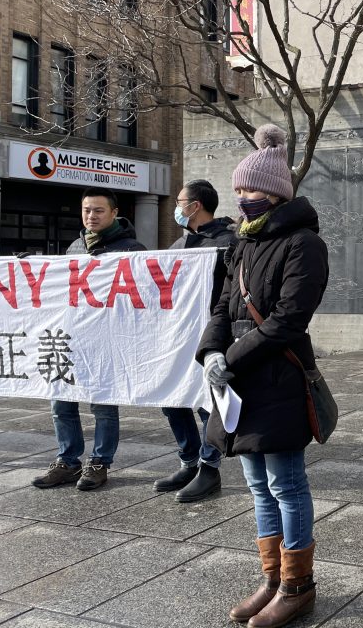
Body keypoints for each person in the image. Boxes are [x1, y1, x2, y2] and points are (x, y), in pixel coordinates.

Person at [197, 124, 329, 628]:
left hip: (277, 377)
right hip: (238, 382)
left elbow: (288, 320)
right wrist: (210, 352)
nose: (241, 198)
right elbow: (221, 305)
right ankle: (272, 578)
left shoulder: (304, 244)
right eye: (239, 190)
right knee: (256, 484)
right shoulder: (243, 244)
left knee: (286, 484)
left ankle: (298, 585)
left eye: (250, 190)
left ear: (274, 193)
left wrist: (231, 357)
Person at [31, 187, 145, 491]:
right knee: (61, 403)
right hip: (71, 338)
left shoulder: (132, 249)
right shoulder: (74, 248)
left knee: (103, 405)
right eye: (86, 210)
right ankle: (68, 460)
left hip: (107, 341)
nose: (91, 216)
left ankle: (100, 462)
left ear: (114, 213)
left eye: (98, 211)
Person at [153, 179, 236, 503]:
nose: (177, 206)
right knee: (172, 400)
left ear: (195, 205)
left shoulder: (226, 243)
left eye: (180, 201)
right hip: (177, 337)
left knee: (208, 405)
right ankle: (188, 461)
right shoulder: (180, 246)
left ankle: (208, 467)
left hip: (210, 337)